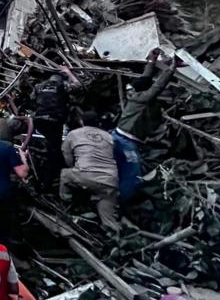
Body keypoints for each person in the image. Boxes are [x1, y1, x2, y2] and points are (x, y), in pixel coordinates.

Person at [113, 48, 177, 204]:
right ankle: (121, 200)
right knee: (132, 171)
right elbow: (157, 87)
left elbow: (145, 79)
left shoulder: (136, 94)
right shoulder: (142, 98)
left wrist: (151, 61)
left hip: (117, 136)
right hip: (126, 141)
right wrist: (172, 68)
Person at [61, 111, 119, 232]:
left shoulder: (73, 134)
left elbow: (67, 155)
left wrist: (74, 168)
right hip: (110, 181)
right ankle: (115, 238)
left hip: (85, 175)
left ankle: (67, 204)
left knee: (65, 174)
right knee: (108, 217)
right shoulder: (109, 136)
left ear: (81, 121)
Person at [33, 71, 79, 187]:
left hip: (38, 120)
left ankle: (50, 173)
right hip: (54, 120)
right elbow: (78, 86)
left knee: (52, 145)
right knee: (54, 149)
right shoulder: (62, 85)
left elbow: (32, 98)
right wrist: (69, 73)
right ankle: (48, 179)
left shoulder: (39, 86)